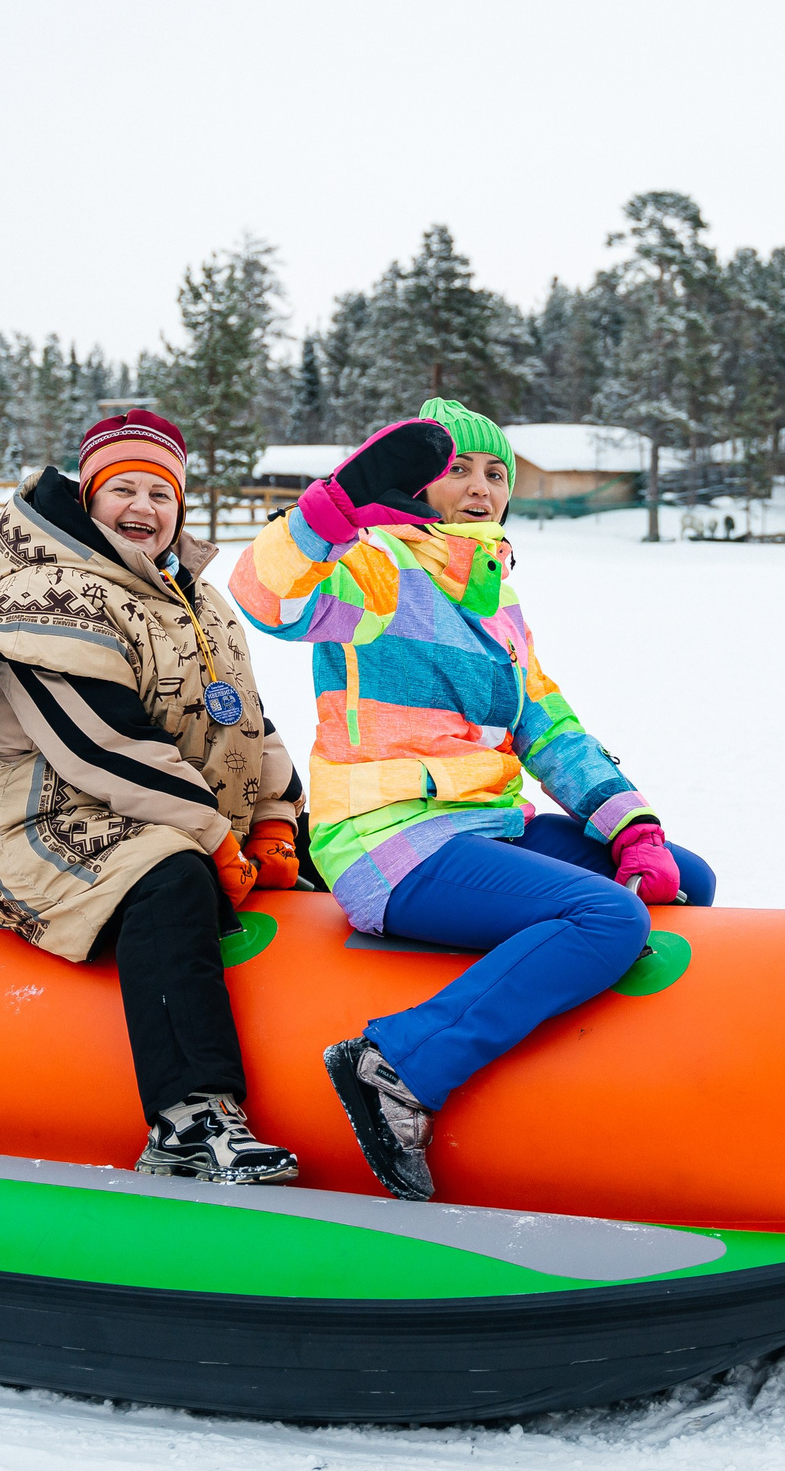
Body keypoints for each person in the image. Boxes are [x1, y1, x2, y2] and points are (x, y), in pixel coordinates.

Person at [229, 400, 714, 1200]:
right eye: (458, 468)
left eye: (496, 472)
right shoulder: (378, 569)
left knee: (686, 878)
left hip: (485, 827)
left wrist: (632, 825)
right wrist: (331, 512)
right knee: (609, 918)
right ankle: (397, 1065)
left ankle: (626, 1075)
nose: (481, 486)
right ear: (418, 484)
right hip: (390, 840)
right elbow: (265, 595)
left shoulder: (495, 600)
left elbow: (548, 726)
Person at [0, 410, 303, 1182]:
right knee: (169, 875)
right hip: (38, 823)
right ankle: (190, 1117)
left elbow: (247, 719)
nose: (143, 508)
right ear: (88, 498)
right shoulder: (46, 595)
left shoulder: (198, 601)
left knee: (251, 867)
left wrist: (276, 821)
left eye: (162, 494)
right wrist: (213, 839)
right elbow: (102, 745)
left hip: (161, 810)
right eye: (123, 489)